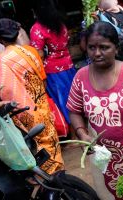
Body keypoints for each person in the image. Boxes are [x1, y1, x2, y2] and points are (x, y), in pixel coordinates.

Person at [66, 21, 123, 199]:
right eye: (92, 47)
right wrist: (82, 134)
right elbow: (75, 110)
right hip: (102, 158)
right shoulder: (81, 76)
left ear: (116, 48)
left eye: (104, 47)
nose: (97, 53)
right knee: (110, 193)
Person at [0, 18, 64, 174]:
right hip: (42, 105)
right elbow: (43, 80)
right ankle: (60, 174)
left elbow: (7, 91)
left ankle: (51, 178)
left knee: (39, 147)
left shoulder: (3, 59)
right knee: (51, 141)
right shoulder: (31, 51)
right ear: (18, 32)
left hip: (26, 111)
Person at [29, 0, 77, 128]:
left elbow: (38, 55)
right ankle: (81, 129)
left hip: (52, 70)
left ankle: (73, 133)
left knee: (61, 101)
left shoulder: (37, 28)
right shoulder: (61, 25)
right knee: (74, 97)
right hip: (68, 65)